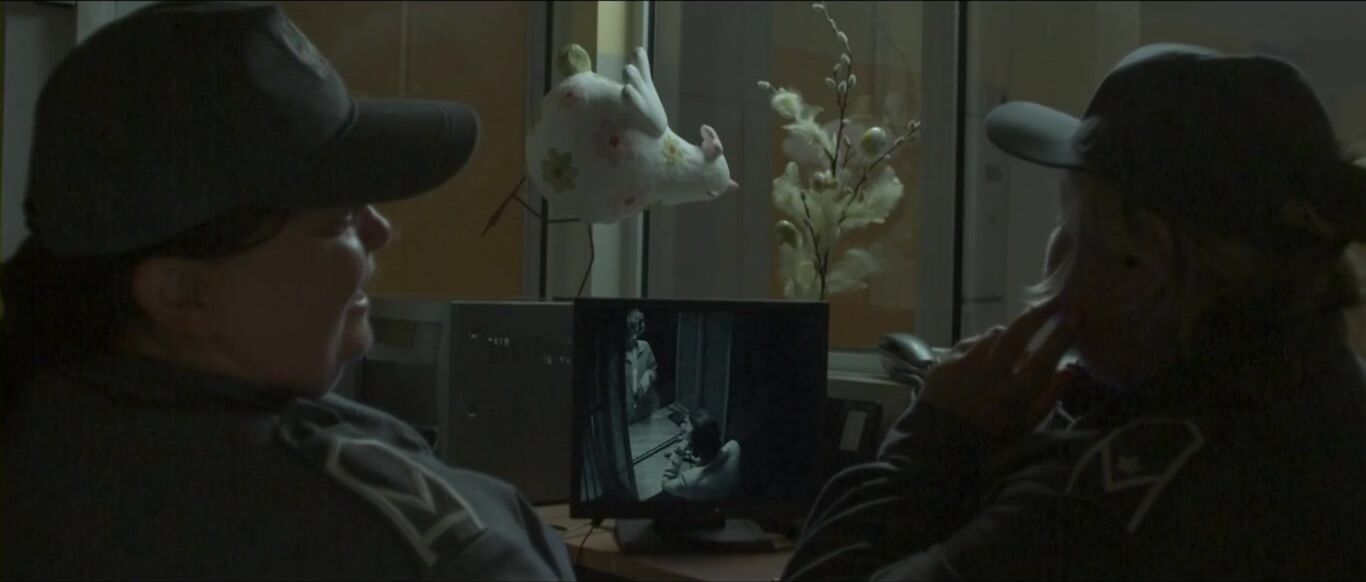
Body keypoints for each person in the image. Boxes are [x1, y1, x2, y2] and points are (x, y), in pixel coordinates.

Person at [0, 3, 574, 579]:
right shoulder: (409, 545)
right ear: (181, 295)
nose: (380, 230)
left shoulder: (44, 432)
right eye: (338, 221)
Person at [783, 43, 1366, 580]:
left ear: (1141, 259)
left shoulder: (1096, 509)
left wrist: (932, 440)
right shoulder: (1325, 411)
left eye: (1070, 218)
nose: (1056, 245)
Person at [660, 409, 742, 502]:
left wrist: (678, 454)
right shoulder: (734, 447)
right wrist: (690, 456)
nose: (681, 425)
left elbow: (666, 484)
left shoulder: (690, 481)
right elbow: (712, 461)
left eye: (685, 423)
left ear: (693, 443)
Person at [625, 308, 659, 423]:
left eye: (636, 331)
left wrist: (648, 375)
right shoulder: (615, 357)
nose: (633, 337)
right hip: (625, 417)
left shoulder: (645, 347)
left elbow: (654, 369)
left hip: (644, 413)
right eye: (630, 332)